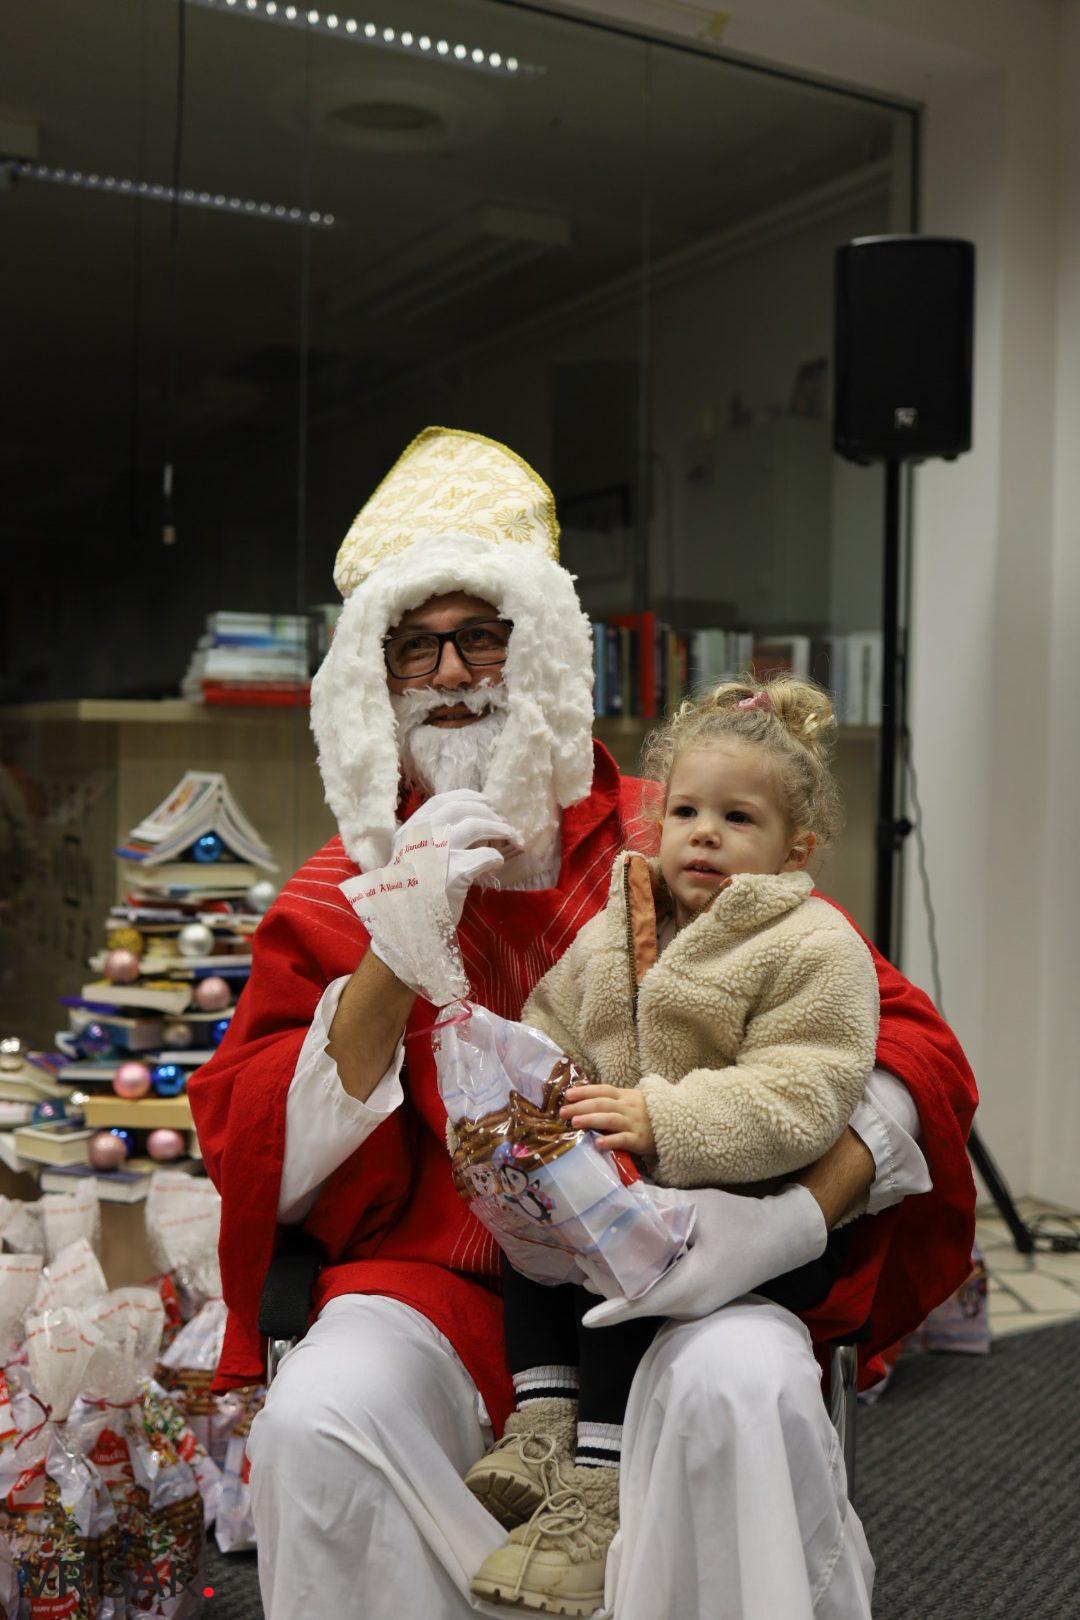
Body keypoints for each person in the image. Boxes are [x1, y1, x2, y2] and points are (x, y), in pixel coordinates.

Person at [188, 427, 978, 1620]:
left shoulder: (697, 826)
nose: (452, 674)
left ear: (546, 649)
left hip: (684, 1250)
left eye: (482, 634)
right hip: (441, 1275)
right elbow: (265, 1158)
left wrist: (783, 1222)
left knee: (746, 1386)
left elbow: (903, 1043)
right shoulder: (335, 889)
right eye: (415, 646)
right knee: (319, 1416)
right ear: (376, 682)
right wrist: (395, 944)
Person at [464, 674, 881, 1614]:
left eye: (739, 818)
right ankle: (544, 1420)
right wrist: (534, 1107)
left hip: (742, 1213)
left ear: (795, 849)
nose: (705, 834)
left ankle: (600, 1482)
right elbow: (552, 1018)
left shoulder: (814, 946)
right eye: (686, 811)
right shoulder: (619, 928)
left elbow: (805, 1091)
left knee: (632, 1262)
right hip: (622, 1179)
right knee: (535, 1236)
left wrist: (665, 1118)